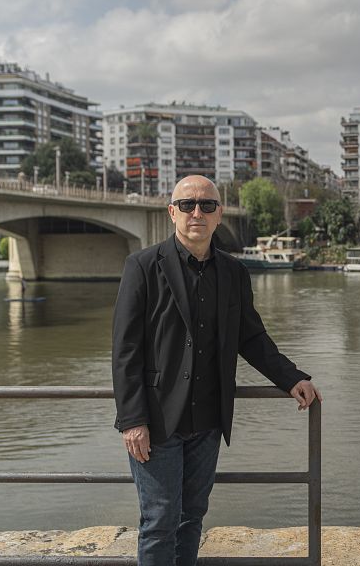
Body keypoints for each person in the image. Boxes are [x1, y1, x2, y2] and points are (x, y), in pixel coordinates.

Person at [112, 175, 322, 566]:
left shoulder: (234, 272)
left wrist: (292, 377)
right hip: (157, 421)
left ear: (218, 214)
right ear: (172, 212)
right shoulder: (141, 266)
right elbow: (125, 350)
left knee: (192, 518)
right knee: (159, 521)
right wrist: (132, 420)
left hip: (208, 419)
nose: (197, 212)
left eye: (207, 205)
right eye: (188, 204)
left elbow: (252, 337)